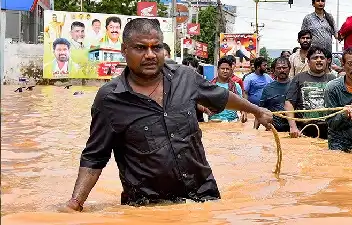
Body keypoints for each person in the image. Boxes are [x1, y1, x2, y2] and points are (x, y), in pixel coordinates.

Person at [63, 18, 273, 210]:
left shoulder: (186, 77)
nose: (150, 55)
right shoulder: (109, 99)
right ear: (124, 50)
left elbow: (221, 97)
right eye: (140, 48)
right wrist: (75, 203)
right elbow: (94, 156)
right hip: (147, 209)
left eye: (157, 47)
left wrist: (256, 111)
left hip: (203, 199)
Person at [285, 46, 337, 139]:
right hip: (304, 131)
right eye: (315, 58)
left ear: (326, 61)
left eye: (322, 58)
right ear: (308, 62)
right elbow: (289, 103)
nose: (319, 60)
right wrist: (293, 127)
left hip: (330, 132)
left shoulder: (333, 79)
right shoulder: (298, 78)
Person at [259, 57, 292, 132]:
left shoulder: (296, 86)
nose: (282, 70)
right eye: (278, 68)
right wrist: (255, 131)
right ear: (273, 70)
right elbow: (260, 111)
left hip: (293, 130)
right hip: (273, 130)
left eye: (284, 67)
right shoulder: (268, 88)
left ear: (289, 69)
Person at [243, 57, 273, 128]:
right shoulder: (249, 78)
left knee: (268, 127)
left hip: (265, 107)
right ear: (258, 67)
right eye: (264, 65)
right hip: (253, 108)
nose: (266, 67)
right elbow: (245, 93)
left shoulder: (268, 77)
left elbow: (273, 88)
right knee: (253, 128)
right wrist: (245, 109)